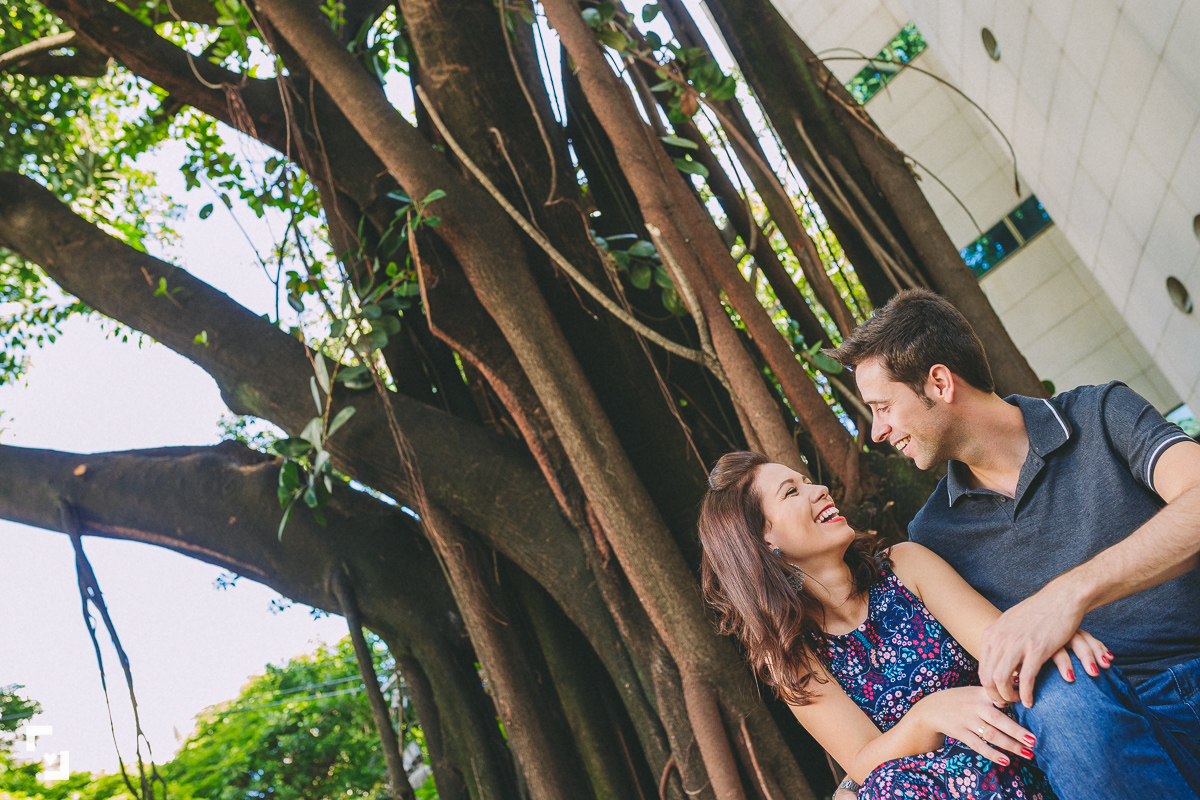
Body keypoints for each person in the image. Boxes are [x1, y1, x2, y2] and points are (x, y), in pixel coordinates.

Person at [827, 288, 1200, 799]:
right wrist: (856, 782)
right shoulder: (933, 536)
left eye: (883, 406)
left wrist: (1067, 596)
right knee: (1058, 707)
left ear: (939, 382)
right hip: (1094, 735)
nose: (878, 431)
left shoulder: (1097, 414)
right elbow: (958, 684)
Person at [698, 451, 1109, 798]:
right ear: (764, 542)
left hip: (1009, 742)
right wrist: (927, 716)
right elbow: (862, 762)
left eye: (806, 480)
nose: (818, 489)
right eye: (792, 491)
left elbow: (1004, 652)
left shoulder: (906, 565)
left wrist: (1050, 632)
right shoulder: (792, 655)